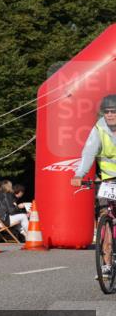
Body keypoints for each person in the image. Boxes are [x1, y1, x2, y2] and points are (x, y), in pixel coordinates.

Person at [71, 94, 116, 277]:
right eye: (107, 112)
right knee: (105, 217)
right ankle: (106, 264)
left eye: (114, 111)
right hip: (108, 180)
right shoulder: (99, 129)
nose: (110, 115)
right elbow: (89, 152)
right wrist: (79, 174)